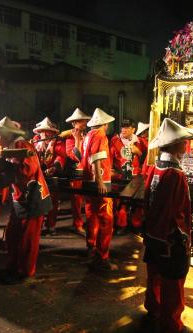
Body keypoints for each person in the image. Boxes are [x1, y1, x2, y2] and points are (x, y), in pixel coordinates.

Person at [143, 118, 193, 333]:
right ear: (175, 145)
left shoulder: (155, 168)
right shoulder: (176, 175)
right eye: (183, 141)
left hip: (153, 234)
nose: (186, 145)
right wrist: (184, 238)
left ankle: (153, 308)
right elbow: (178, 212)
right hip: (170, 238)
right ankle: (171, 325)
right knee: (173, 283)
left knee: (154, 275)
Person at [0, 117, 52, 283]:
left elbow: (26, 171)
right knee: (13, 234)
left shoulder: (21, 145)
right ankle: (13, 265)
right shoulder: (12, 146)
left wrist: (4, 170)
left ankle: (25, 272)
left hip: (33, 197)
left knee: (28, 239)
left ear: (7, 134)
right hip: (21, 197)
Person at [80, 108, 117, 271]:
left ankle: (91, 247)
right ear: (105, 124)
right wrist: (100, 181)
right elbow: (96, 158)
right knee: (106, 219)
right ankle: (102, 257)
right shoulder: (100, 135)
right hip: (99, 181)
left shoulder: (88, 135)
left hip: (88, 181)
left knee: (91, 214)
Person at [109, 118, 146, 235]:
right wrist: (110, 171)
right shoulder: (114, 140)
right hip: (120, 177)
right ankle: (121, 224)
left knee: (139, 202)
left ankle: (136, 225)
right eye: (123, 127)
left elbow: (148, 158)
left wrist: (138, 152)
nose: (124, 129)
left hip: (136, 177)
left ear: (133, 129)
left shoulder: (140, 141)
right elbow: (109, 158)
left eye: (127, 127)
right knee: (121, 202)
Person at [33, 117, 66, 235]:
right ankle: (39, 224)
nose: (46, 134)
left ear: (53, 132)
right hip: (38, 175)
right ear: (39, 132)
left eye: (48, 131)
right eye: (43, 131)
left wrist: (55, 167)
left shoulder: (58, 141)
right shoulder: (35, 142)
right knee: (39, 200)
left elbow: (61, 155)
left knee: (53, 201)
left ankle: (51, 225)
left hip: (53, 175)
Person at [64, 108, 91, 236]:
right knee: (77, 201)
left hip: (87, 172)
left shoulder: (87, 136)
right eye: (82, 121)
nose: (85, 123)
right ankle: (78, 224)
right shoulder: (69, 140)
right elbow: (75, 156)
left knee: (89, 200)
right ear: (74, 123)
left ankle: (90, 223)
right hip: (75, 174)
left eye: (85, 121)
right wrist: (77, 140)